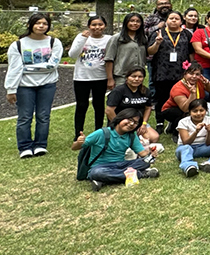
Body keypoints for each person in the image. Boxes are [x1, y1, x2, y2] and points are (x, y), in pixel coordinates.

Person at [5, 13, 63, 158]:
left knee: (44, 116)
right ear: (30, 25)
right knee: (24, 117)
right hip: (24, 86)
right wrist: (11, 89)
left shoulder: (54, 43)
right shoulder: (18, 45)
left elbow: (52, 65)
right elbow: (14, 68)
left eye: (44, 23)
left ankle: (40, 145)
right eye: (37, 23)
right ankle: (24, 146)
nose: (41, 26)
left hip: (47, 85)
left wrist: (26, 68)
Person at [71, 108, 159, 191]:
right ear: (120, 118)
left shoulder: (131, 135)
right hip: (101, 167)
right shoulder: (101, 133)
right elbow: (74, 148)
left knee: (145, 162)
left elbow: (142, 153)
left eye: (135, 123)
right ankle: (140, 174)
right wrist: (79, 143)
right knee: (96, 173)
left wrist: (151, 154)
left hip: (121, 164)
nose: (132, 124)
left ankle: (103, 181)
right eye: (129, 120)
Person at [147, 11, 194, 126]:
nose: (174, 20)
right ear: (166, 20)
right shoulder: (158, 33)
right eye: (171, 18)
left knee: (179, 98)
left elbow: (191, 53)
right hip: (162, 71)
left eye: (176, 18)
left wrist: (192, 69)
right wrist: (157, 43)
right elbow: (150, 51)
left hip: (181, 72)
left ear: (181, 21)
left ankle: (175, 123)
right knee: (161, 98)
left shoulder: (186, 34)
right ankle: (160, 122)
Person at [71, 15, 112, 141]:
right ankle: (78, 133)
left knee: (99, 105)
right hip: (82, 77)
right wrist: (83, 39)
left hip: (100, 77)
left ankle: (98, 131)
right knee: (81, 105)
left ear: (105, 26)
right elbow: (72, 55)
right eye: (94, 25)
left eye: (100, 24)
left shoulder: (109, 39)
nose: (97, 27)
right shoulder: (81, 37)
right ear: (89, 26)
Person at [158, 63, 210, 137]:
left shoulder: (199, 82)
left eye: (197, 74)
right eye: (191, 74)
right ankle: (176, 133)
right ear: (184, 74)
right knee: (184, 114)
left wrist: (207, 83)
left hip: (192, 107)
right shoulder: (178, 88)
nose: (194, 77)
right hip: (173, 109)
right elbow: (185, 109)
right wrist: (192, 94)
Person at [105, 68, 159, 145]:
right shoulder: (118, 91)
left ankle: (135, 139)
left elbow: (148, 108)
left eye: (140, 77)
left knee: (154, 137)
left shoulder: (145, 91)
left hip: (138, 123)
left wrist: (144, 124)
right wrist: (119, 125)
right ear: (127, 77)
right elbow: (109, 110)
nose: (137, 79)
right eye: (133, 76)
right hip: (122, 122)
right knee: (122, 142)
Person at [175, 99, 210, 176]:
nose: (198, 113)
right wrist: (196, 131)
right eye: (195, 111)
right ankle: (189, 166)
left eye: (201, 110)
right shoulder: (183, 122)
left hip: (202, 147)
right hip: (186, 148)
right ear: (190, 112)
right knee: (186, 148)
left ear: (206, 111)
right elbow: (186, 142)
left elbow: (209, 143)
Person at [105, 13, 147, 89]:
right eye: (132, 21)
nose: (135, 23)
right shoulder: (117, 38)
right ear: (126, 22)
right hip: (121, 77)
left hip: (138, 77)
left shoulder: (143, 39)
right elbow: (109, 59)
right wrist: (110, 79)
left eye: (138, 21)